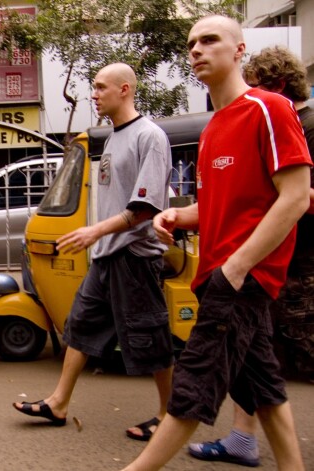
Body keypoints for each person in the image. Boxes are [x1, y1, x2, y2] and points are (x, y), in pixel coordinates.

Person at [122, 15, 311, 471]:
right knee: (264, 388)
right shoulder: (211, 131)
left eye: (209, 40)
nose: (197, 50)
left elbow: (296, 196)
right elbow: (219, 209)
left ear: (240, 50)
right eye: (192, 44)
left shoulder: (268, 108)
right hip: (220, 276)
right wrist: (176, 216)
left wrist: (238, 266)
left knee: (193, 385)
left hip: (239, 279)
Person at [13, 63, 175, 441]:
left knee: (150, 337)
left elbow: (145, 207)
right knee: (80, 326)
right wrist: (98, 239)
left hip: (135, 258)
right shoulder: (112, 139)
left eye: (101, 87)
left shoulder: (149, 136)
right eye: (93, 87)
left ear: (124, 89)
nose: (94, 93)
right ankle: (58, 403)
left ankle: (168, 415)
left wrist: (95, 232)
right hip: (107, 256)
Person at [187, 45, 314, 468]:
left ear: (276, 88)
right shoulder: (256, 119)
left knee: (288, 354)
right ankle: (244, 438)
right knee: (259, 360)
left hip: (295, 263)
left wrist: (239, 260)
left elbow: (295, 195)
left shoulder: (289, 120)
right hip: (267, 260)